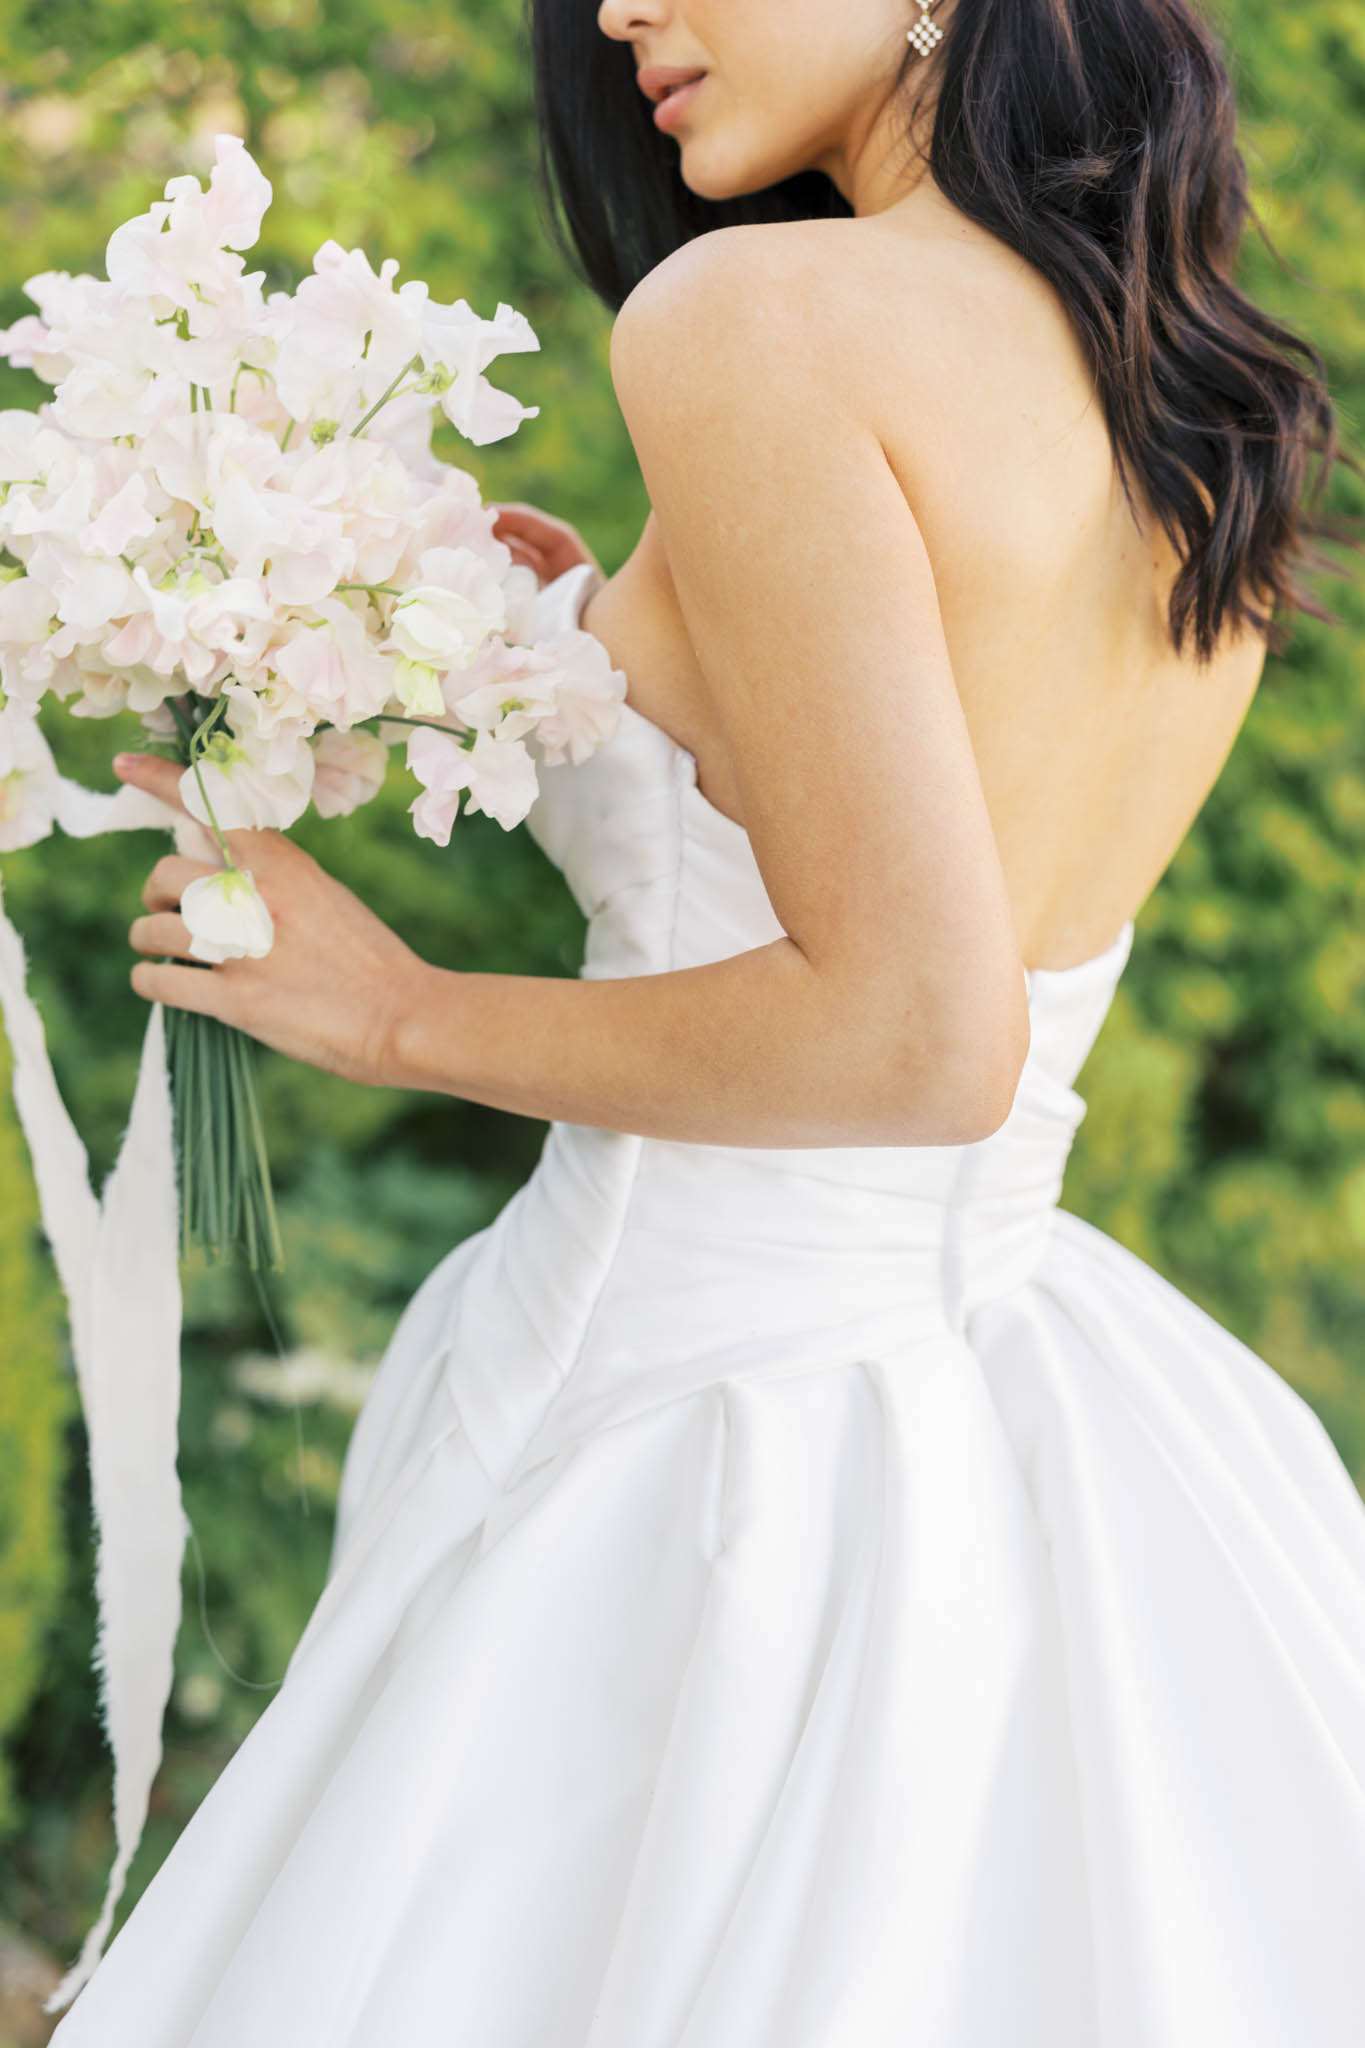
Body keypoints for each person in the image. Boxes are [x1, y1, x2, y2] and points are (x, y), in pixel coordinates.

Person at [56, 0, 1365, 2041]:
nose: (618, 15)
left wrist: (395, 1014)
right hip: (992, 1405)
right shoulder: (1165, 383)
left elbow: (922, 1038)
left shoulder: (749, 318)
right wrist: (610, 645)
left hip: (691, 1437)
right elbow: (951, 858)